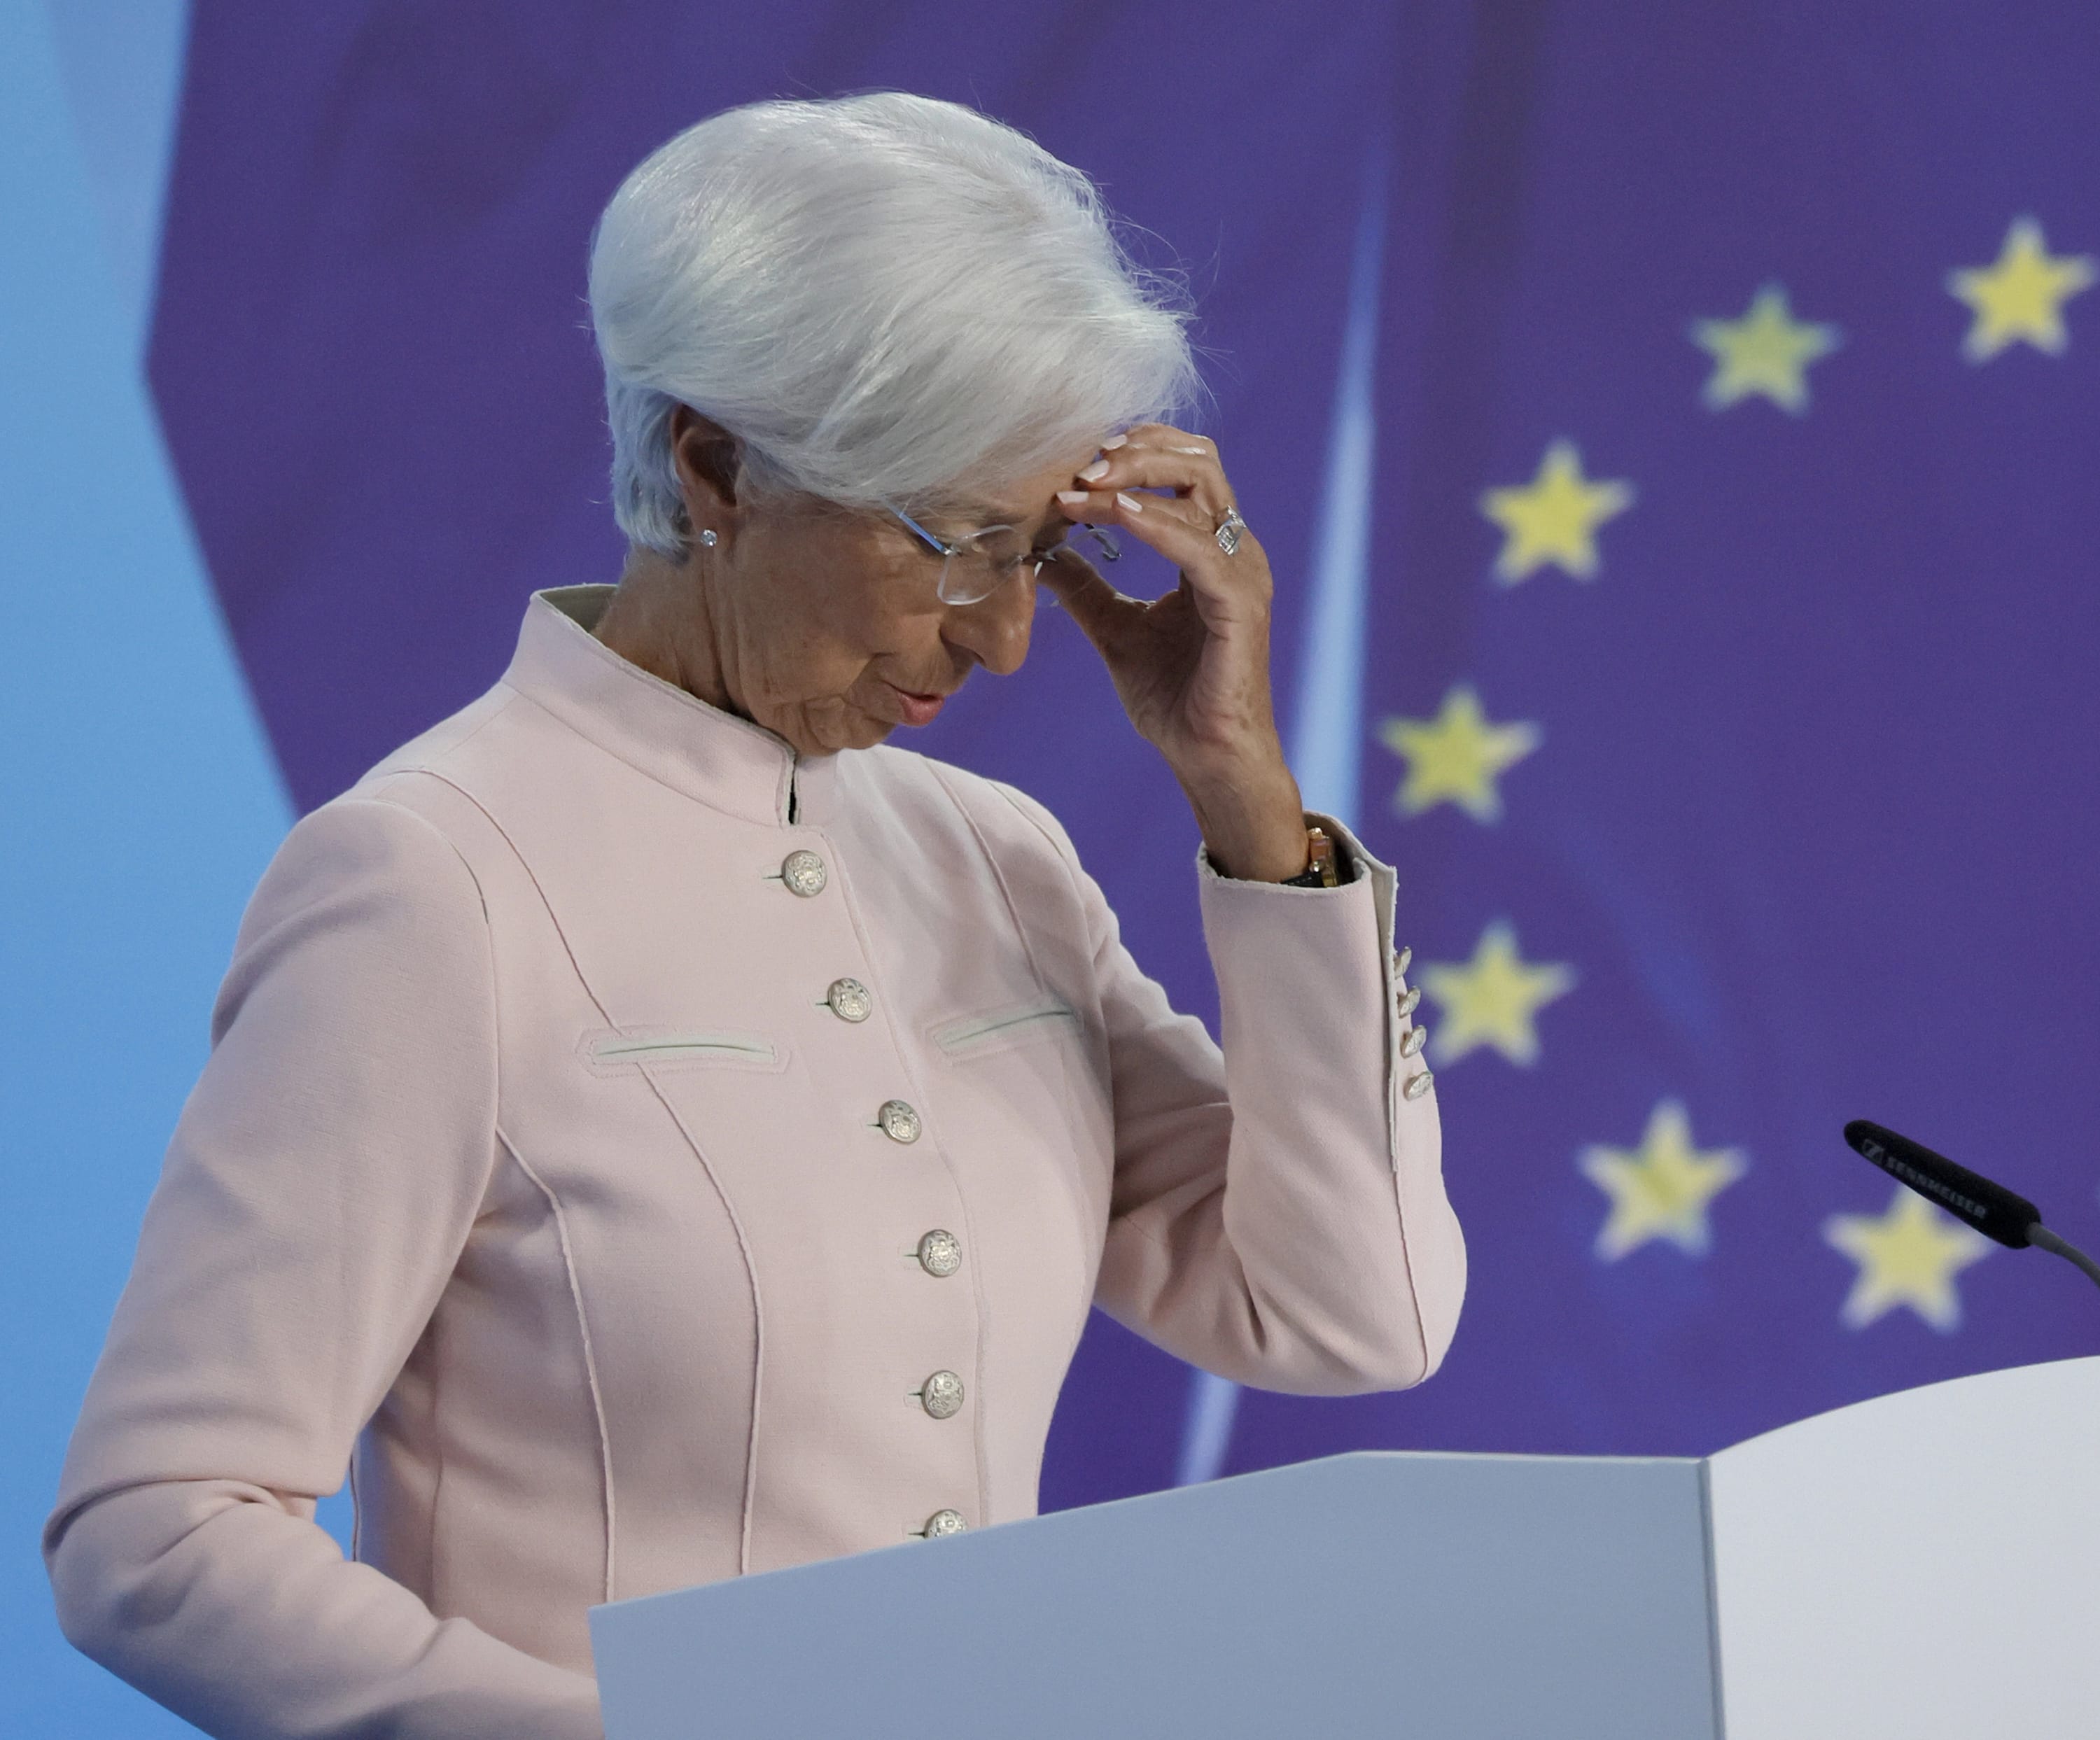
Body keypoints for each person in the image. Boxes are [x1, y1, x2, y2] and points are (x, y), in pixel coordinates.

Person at [44, 92, 1463, 1739]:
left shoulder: (990, 856)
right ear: (714, 467)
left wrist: (1247, 801)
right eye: (958, 545)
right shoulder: (435, 877)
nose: (1006, 639)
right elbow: (155, 1530)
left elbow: (1353, 1315)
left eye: (1039, 551)